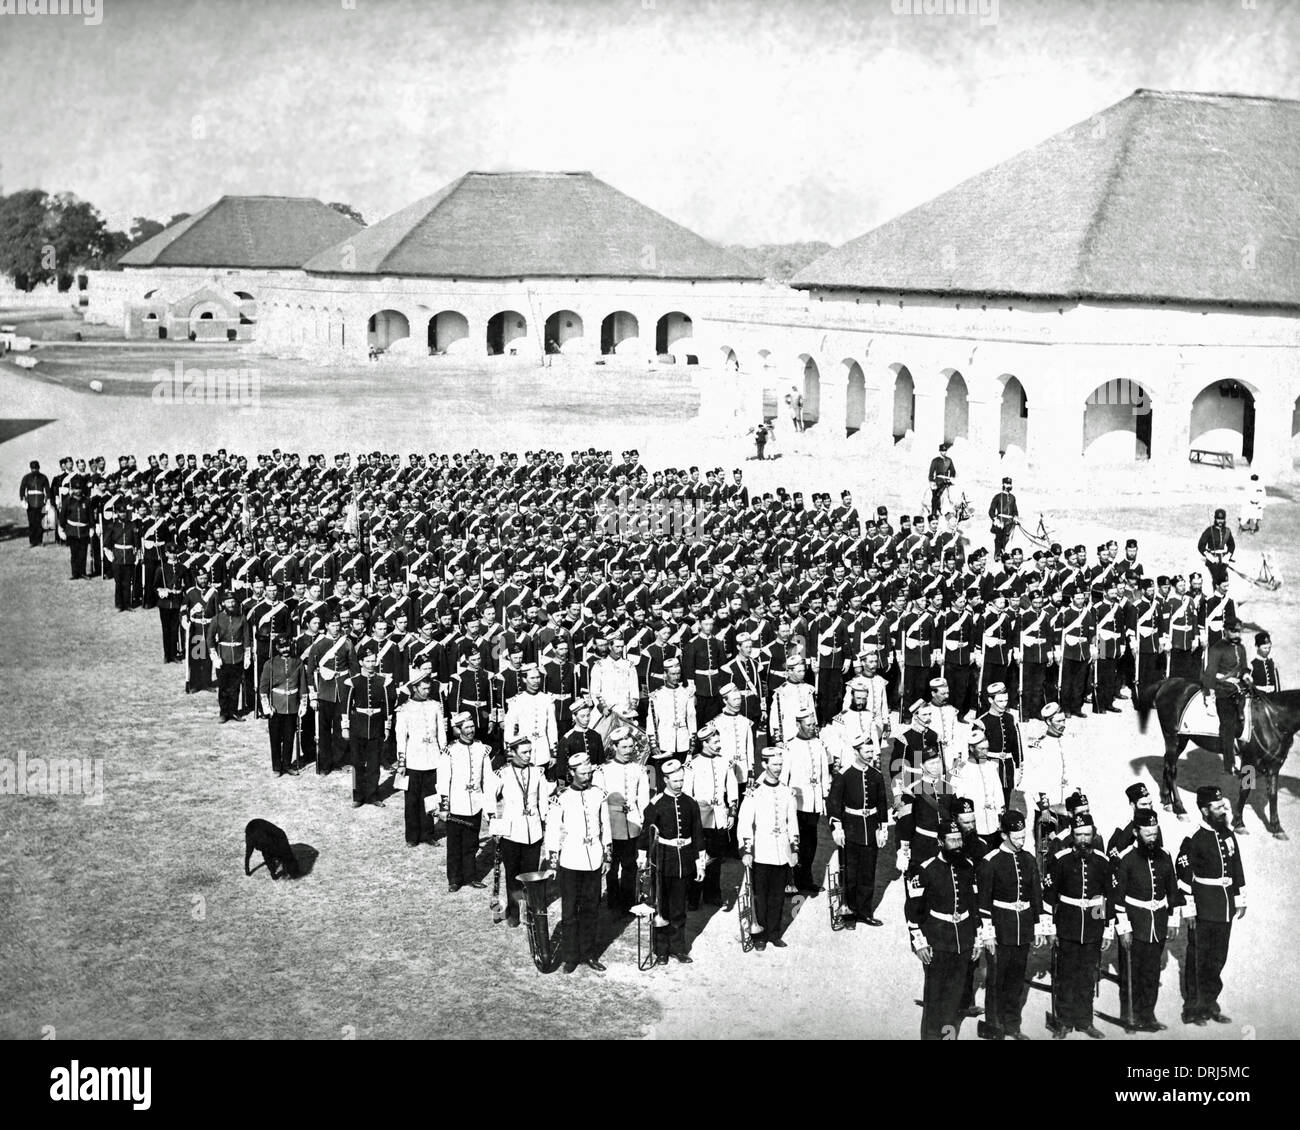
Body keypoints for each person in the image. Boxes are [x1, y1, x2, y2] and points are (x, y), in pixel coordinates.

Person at [905, 817, 981, 1040]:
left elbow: (973, 905)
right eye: (952, 840)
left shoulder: (968, 867)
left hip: (963, 942)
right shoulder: (924, 870)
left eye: (959, 840)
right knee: (935, 997)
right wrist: (919, 943)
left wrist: (976, 938)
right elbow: (912, 911)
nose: (957, 845)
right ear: (940, 842)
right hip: (937, 942)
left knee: (954, 998)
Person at [1177, 784, 1246, 1026]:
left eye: (1222, 806)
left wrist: (1240, 897)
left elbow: (1236, 865)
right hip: (1204, 906)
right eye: (1217, 808)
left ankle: (1210, 1003)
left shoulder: (1227, 833)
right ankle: (1193, 1008)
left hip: (1225, 905)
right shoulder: (1193, 838)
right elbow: (1184, 874)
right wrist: (1189, 909)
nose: (1222, 811)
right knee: (1199, 958)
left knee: (1218, 957)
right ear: (1205, 810)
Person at [1112, 808, 1183, 1033]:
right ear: (1136, 832)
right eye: (1147, 833)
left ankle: (1148, 1014)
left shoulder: (1165, 856)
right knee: (1132, 972)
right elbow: (1118, 898)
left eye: (1155, 833)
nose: (1152, 838)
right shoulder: (1126, 859)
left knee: (1152, 972)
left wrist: (1173, 919)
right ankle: (1130, 1016)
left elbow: (1173, 890)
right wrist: (1123, 929)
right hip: (1135, 925)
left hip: (1158, 924)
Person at [976, 809, 1045, 1040]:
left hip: (1023, 928)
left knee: (1017, 979)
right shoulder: (990, 862)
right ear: (1004, 835)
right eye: (1016, 838)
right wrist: (987, 935)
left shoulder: (1029, 859)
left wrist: (1039, 927)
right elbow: (983, 903)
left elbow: (1036, 896)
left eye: (1024, 837)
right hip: (1001, 929)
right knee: (996, 980)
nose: (1021, 842)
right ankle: (994, 1028)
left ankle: (1012, 1025)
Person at [1044, 813, 1113, 1039]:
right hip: (1067, 926)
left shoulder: (1103, 861)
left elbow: (1103, 897)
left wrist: (1104, 929)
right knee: (1065, 976)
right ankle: (1064, 1021)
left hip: (1092, 929)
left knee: (1087, 977)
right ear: (1072, 836)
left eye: (1087, 835)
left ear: (1094, 835)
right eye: (1079, 835)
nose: (1083, 839)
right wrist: (1050, 930)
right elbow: (1049, 898)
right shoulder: (1060, 860)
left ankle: (1085, 1021)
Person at [544, 751, 611, 973]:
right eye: (582, 773)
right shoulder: (560, 798)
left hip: (594, 858)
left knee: (591, 908)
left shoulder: (599, 794)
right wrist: (553, 861)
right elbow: (552, 831)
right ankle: (571, 956)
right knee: (570, 910)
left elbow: (605, 826)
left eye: (589, 772)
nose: (587, 777)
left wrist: (607, 854)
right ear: (571, 773)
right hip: (571, 860)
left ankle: (589, 953)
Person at [639, 758, 705, 964]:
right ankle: (660, 950)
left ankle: (678, 948)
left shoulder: (690, 803)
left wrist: (699, 862)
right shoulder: (656, 804)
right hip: (663, 861)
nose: (679, 784)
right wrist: (643, 859)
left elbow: (698, 834)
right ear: (665, 779)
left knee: (679, 908)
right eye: (675, 781)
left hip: (684, 861)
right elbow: (645, 834)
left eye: (681, 781)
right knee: (662, 907)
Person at [487, 736, 554, 926]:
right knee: (513, 874)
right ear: (512, 752)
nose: (528, 756)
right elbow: (489, 798)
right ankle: (514, 913)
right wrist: (494, 823)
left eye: (530, 752)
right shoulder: (503, 774)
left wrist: (544, 821)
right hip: (511, 832)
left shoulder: (537, 773)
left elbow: (543, 801)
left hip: (533, 831)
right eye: (524, 752)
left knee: (531, 874)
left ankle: (531, 912)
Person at [737, 746, 799, 951]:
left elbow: (792, 822)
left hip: (782, 852)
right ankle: (759, 935)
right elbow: (745, 823)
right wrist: (746, 851)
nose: (779, 768)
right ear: (764, 764)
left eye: (781, 764)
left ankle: (774, 933)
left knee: (778, 895)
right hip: (761, 852)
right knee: (760, 895)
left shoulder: (787, 791)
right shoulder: (754, 792)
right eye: (775, 765)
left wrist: (794, 848)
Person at [827, 732, 889, 928]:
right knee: (850, 875)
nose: (871, 754)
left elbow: (882, 802)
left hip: (870, 830)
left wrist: (883, 827)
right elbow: (834, 804)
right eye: (867, 751)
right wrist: (836, 827)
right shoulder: (844, 775)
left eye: (872, 750)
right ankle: (849, 913)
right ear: (856, 751)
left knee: (867, 874)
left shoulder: (876, 775)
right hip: (851, 830)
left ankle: (864, 912)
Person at [593, 727, 650, 914]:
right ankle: (613, 900)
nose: (628, 751)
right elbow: (599, 802)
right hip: (612, 824)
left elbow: (643, 799)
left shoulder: (639, 769)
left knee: (629, 865)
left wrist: (643, 821)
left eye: (631, 747)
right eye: (623, 747)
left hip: (633, 823)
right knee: (612, 864)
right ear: (615, 747)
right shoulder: (603, 770)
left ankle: (627, 902)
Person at [683, 722, 739, 908]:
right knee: (698, 858)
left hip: (719, 817)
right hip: (700, 818)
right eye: (715, 742)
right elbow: (687, 794)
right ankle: (693, 897)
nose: (719, 745)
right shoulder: (693, 764)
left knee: (715, 858)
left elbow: (732, 789)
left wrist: (732, 813)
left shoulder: (725, 762)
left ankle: (712, 894)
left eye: (718, 741)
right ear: (705, 743)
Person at [781, 706, 830, 894]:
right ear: (798, 725)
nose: (812, 728)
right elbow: (784, 777)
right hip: (797, 803)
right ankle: (790, 880)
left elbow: (824, 773)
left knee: (810, 842)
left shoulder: (819, 744)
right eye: (808, 725)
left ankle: (805, 879)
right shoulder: (790, 746)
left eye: (814, 724)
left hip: (814, 802)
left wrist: (824, 796)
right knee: (794, 840)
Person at [395, 664, 445, 847]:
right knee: (412, 800)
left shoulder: (435, 706)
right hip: (413, 760)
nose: (427, 691)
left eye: (428, 688)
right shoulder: (405, 709)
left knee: (430, 797)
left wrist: (443, 755)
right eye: (423, 688)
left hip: (432, 758)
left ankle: (428, 833)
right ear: (415, 688)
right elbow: (401, 737)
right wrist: (402, 761)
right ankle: (412, 836)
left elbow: (442, 733)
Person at [440, 711, 490, 890]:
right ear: (458, 729)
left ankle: (470, 876)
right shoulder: (450, 751)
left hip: (475, 803)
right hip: (456, 804)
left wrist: (487, 805)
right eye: (466, 727)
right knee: (454, 844)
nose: (471, 731)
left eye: (472, 726)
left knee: (471, 843)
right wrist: (444, 807)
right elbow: (443, 779)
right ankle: (454, 879)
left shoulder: (482, 748)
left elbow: (487, 778)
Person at [341, 650, 396, 809]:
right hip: (358, 726)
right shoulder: (352, 682)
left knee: (374, 763)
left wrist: (387, 727)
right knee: (357, 763)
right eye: (368, 661)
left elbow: (387, 706)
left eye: (374, 661)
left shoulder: (384, 681)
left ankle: (373, 795)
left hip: (377, 726)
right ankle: (358, 796)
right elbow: (345, 706)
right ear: (361, 663)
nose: (372, 664)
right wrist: (345, 727)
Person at [307, 615, 357, 776]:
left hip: (343, 690)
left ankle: (338, 760)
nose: (336, 628)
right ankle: (324, 764)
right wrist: (313, 696)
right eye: (333, 625)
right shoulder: (319, 644)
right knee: (323, 730)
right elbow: (310, 671)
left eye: (338, 625)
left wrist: (354, 691)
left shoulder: (347, 643)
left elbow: (354, 668)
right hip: (324, 691)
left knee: (340, 728)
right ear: (327, 625)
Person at [1201, 615, 1249, 773]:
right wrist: (1209, 697)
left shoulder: (1240, 647)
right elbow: (1209, 674)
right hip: (1223, 691)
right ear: (1225, 631)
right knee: (1228, 726)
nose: (1237, 635)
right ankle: (1230, 763)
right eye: (1233, 632)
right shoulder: (1217, 648)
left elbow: (1243, 667)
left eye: (1239, 632)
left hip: (1240, 689)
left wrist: (1246, 674)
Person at [257, 634, 308, 776]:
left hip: (292, 706)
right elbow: (263, 688)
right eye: (282, 647)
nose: (285, 649)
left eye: (287, 646)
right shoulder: (270, 664)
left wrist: (303, 704)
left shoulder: (297, 663)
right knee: (275, 738)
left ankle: (287, 765)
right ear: (277, 648)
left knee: (289, 737)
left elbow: (303, 685)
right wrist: (267, 707)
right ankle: (276, 767)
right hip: (276, 707)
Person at [208, 593, 251, 724]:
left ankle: (233, 711)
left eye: (233, 602)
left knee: (235, 686)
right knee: (223, 687)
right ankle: (223, 712)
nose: (231, 605)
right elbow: (209, 639)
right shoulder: (217, 618)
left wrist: (247, 655)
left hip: (237, 657)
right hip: (223, 657)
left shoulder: (242, 618)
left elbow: (246, 638)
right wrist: (214, 657)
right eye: (228, 602)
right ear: (223, 604)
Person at [1196, 508, 1236, 587]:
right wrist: (1209, 556)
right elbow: (1201, 545)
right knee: (1217, 577)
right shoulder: (1209, 530)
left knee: (1224, 578)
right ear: (1215, 519)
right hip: (1212, 559)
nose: (1220, 521)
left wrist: (1228, 556)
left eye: (1222, 519)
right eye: (1218, 519)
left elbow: (1231, 545)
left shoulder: (1227, 531)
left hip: (1223, 558)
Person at [19, 460, 51, 546]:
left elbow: (48, 490)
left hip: (41, 503)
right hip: (30, 503)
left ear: (39, 468)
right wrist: (23, 500)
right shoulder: (26, 477)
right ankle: (32, 542)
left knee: (40, 523)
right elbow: (22, 489)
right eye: (33, 468)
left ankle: (39, 541)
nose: (34, 470)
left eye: (36, 468)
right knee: (32, 523)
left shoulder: (43, 477)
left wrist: (48, 501)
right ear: (30, 468)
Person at [988, 476, 1018, 557]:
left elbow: (1015, 510)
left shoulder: (1012, 497)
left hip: (1010, 522)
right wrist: (995, 520)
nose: (1009, 485)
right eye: (1007, 483)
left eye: (1010, 484)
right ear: (1003, 484)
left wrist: (1015, 516)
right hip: (1000, 521)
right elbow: (991, 511)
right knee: (999, 538)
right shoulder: (998, 496)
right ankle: (997, 555)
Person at [926, 444, 956, 518]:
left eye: (945, 451)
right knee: (936, 496)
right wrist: (932, 482)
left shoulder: (949, 460)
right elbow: (931, 473)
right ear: (940, 451)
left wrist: (951, 477)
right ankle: (933, 513)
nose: (944, 452)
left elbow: (953, 471)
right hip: (938, 482)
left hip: (947, 481)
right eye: (942, 451)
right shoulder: (935, 460)